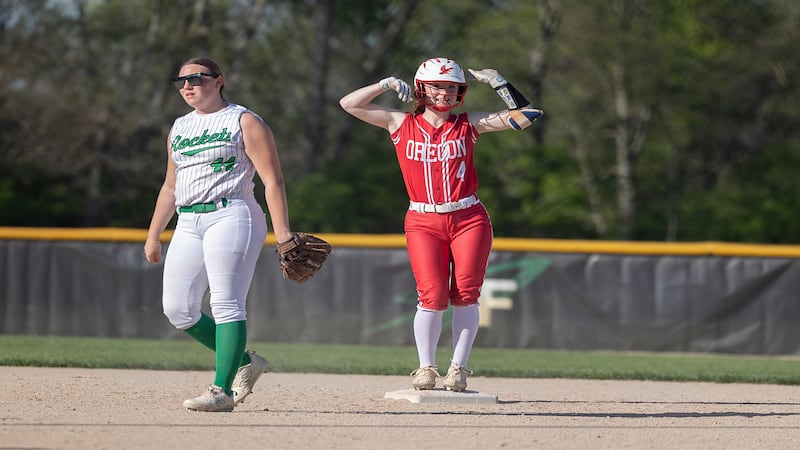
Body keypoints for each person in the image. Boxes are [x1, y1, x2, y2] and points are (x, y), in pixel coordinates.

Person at [339, 57, 542, 392]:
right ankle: (426, 368)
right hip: (423, 219)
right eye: (436, 86)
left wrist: (499, 83)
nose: (444, 93)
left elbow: (527, 116)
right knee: (431, 295)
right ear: (421, 89)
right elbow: (349, 104)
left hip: (468, 218)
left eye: (451, 87)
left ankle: (458, 368)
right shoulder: (399, 122)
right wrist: (384, 84)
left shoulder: (468, 123)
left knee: (466, 295)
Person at [144, 56, 294, 412]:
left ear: (219, 81)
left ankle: (222, 390)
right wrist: (153, 234)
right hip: (188, 220)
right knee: (178, 309)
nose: (188, 86)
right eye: (181, 81)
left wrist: (283, 233)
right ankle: (244, 362)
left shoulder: (244, 120)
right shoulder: (179, 127)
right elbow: (170, 186)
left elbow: (272, 180)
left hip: (232, 214)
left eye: (197, 78)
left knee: (226, 303)